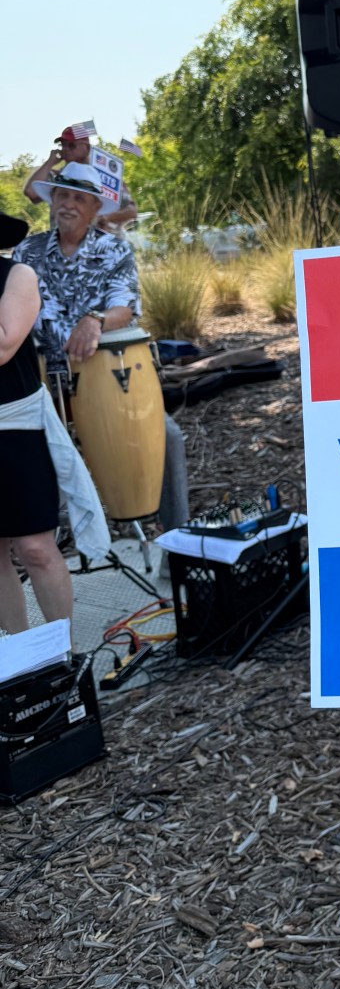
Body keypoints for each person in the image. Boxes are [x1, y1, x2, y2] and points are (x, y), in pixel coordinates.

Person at [13, 161, 189, 532]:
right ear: (52, 200)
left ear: (95, 209)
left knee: (169, 438)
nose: (68, 204)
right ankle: (50, 542)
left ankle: (178, 540)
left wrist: (95, 320)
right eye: (62, 195)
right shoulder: (27, 252)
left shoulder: (114, 250)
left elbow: (125, 307)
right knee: (28, 452)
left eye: (80, 198)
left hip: (103, 374)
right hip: (42, 378)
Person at [0, 212, 111, 640]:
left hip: (17, 427)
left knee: (35, 548)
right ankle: (22, 655)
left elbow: (5, 344)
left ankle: (61, 652)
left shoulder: (17, 275)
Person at [23, 123, 138, 235]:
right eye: (63, 145)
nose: (66, 149)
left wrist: (107, 217)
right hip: (64, 248)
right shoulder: (58, 177)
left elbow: (132, 211)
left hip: (104, 247)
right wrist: (49, 162)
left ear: (87, 148)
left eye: (72, 145)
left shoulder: (106, 177)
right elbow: (31, 193)